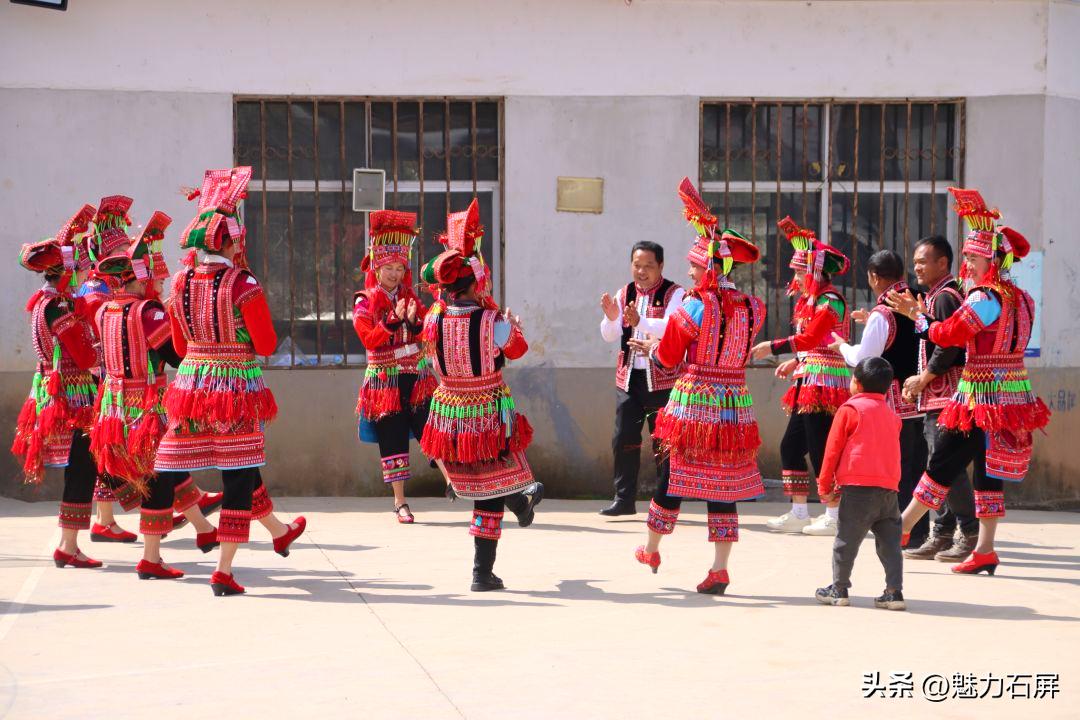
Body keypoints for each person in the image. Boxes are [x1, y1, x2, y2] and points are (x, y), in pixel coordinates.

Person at [155, 167, 306, 596]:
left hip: (189, 385)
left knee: (171, 462)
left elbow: (180, 348)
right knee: (238, 471)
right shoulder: (243, 284)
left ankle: (276, 531)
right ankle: (223, 569)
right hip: (235, 387)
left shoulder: (180, 283)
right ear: (229, 240)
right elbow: (266, 343)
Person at [886, 187, 1050, 575]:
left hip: (980, 395)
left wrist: (915, 315)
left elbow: (948, 335)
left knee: (942, 461)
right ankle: (985, 548)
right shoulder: (1023, 298)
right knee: (986, 469)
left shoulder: (983, 298)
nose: (969, 266)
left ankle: (902, 528)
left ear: (990, 260)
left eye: (974, 258)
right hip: (1011, 395)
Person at [629, 178, 765, 595]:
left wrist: (653, 346)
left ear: (705, 266)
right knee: (722, 482)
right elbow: (739, 348)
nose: (689, 272)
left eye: (693, 266)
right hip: (733, 402)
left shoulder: (694, 304)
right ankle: (719, 568)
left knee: (674, 476)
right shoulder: (752, 306)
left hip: (694, 401)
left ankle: (651, 548)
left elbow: (669, 356)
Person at [419, 198, 543, 592]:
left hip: (449, 408)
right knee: (489, 491)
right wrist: (514, 327)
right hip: (486, 409)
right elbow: (518, 350)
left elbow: (428, 358)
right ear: (476, 283)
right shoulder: (491, 321)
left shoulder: (433, 317)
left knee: (478, 482)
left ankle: (521, 505)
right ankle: (481, 571)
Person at [88, 211, 219, 579]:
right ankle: (151, 557)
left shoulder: (105, 311)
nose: (161, 284)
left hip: (113, 408)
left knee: (152, 475)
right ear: (143, 278)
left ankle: (200, 531)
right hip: (148, 409)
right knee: (159, 477)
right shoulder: (149, 313)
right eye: (158, 278)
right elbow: (175, 357)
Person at [12, 205, 104, 568]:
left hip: (56, 390)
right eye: (77, 269)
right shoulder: (57, 307)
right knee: (82, 467)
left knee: (82, 467)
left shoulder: (45, 303)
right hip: (72, 394)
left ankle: (72, 541)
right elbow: (82, 357)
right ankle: (68, 544)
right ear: (64, 271)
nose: (81, 274)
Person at [749, 217, 851, 536]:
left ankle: (834, 515)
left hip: (825, 383)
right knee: (791, 446)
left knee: (822, 448)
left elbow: (813, 338)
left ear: (814, 272)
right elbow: (810, 344)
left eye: (798, 271)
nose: (794, 277)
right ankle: (799, 511)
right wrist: (796, 362)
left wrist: (774, 346)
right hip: (808, 378)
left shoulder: (830, 300)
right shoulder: (810, 301)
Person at [829, 249, 929, 548]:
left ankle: (902, 532)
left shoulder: (883, 311)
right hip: (923, 395)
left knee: (897, 467)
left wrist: (843, 347)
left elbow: (864, 357)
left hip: (894, 402)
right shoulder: (918, 300)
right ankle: (920, 531)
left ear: (874, 277)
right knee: (918, 464)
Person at [353, 209, 436, 523]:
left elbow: (427, 333)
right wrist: (392, 320)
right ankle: (400, 502)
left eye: (400, 268)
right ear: (377, 266)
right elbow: (369, 339)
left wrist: (415, 323)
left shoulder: (412, 296)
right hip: (384, 381)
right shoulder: (364, 301)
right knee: (393, 440)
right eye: (388, 267)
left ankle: (456, 481)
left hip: (415, 376)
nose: (394, 274)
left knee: (430, 429)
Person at [901, 236, 978, 562]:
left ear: (942, 263)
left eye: (923, 261)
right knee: (941, 466)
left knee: (947, 468)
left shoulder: (946, 297)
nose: (917, 267)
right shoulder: (935, 297)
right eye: (916, 261)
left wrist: (924, 378)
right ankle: (942, 533)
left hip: (946, 397)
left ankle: (969, 531)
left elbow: (951, 346)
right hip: (937, 397)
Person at [598, 240, 684, 516]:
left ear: (661, 266)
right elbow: (610, 335)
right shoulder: (625, 293)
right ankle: (624, 499)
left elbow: (671, 328)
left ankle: (666, 503)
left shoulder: (675, 293)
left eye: (648, 266)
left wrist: (641, 324)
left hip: (664, 379)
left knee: (663, 442)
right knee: (623, 437)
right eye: (637, 265)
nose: (642, 271)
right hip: (629, 379)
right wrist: (613, 319)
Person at [814, 357, 906, 610]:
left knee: (846, 540)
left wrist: (824, 487)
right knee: (890, 545)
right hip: (889, 489)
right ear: (887, 387)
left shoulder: (850, 410)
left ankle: (839, 588)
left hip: (857, 489)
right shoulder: (892, 415)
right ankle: (894, 592)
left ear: (856, 381)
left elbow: (832, 450)